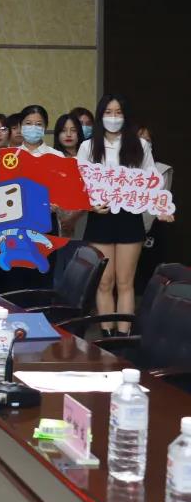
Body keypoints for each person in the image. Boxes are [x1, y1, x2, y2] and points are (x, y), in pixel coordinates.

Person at [77, 94, 173, 336]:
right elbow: (78, 184)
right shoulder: (88, 146)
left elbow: (152, 181)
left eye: (118, 112)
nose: (113, 117)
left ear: (126, 116)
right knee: (104, 282)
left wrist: (161, 207)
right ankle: (107, 335)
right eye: (108, 112)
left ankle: (123, 337)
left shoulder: (140, 145)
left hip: (130, 217)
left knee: (125, 282)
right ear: (100, 116)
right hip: (100, 217)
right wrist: (90, 204)